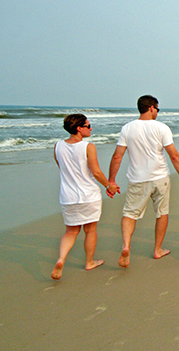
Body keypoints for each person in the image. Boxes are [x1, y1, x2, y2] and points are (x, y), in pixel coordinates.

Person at [108, 95, 179, 268]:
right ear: (152, 108)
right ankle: (158, 249)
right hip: (160, 177)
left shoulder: (127, 128)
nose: (157, 112)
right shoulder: (162, 128)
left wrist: (111, 180)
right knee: (161, 212)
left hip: (137, 178)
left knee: (130, 214)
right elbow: (174, 155)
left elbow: (117, 156)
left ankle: (126, 245)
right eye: (157, 109)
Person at [51, 114, 119, 280]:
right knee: (90, 230)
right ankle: (89, 261)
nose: (91, 128)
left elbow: (62, 168)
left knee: (71, 231)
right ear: (79, 128)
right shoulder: (88, 146)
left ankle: (61, 259)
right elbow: (95, 172)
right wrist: (108, 185)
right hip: (88, 195)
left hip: (68, 196)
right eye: (88, 126)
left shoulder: (58, 146)